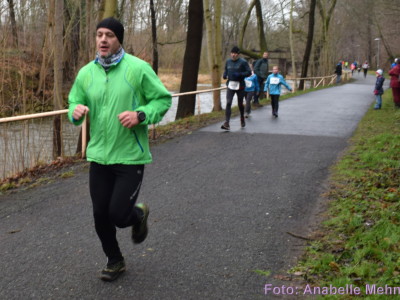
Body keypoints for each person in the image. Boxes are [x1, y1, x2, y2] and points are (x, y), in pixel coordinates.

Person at [68, 17, 171, 282]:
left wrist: (141, 114)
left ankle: (138, 214)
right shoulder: (86, 73)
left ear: (119, 40)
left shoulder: (137, 69)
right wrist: (75, 112)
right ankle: (115, 260)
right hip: (99, 156)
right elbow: (75, 100)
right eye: (99, 34)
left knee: (118, 214)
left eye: (110, 35)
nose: (103, 39)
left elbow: (162, 99)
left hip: (129, 156)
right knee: (100, 214)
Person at [221, 46, 252, 130]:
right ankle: (227, 123)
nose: (233, 55)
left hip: (240, 86)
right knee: (228, 102)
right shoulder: (228, 61)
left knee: (240, 104)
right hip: (230, 85)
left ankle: (242, 117)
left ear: (238, 54)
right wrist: (224, 75)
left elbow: (249, 72)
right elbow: (226, 70)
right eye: (232, 53)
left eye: (235, 53)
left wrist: (240, 74)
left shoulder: (243, 62)